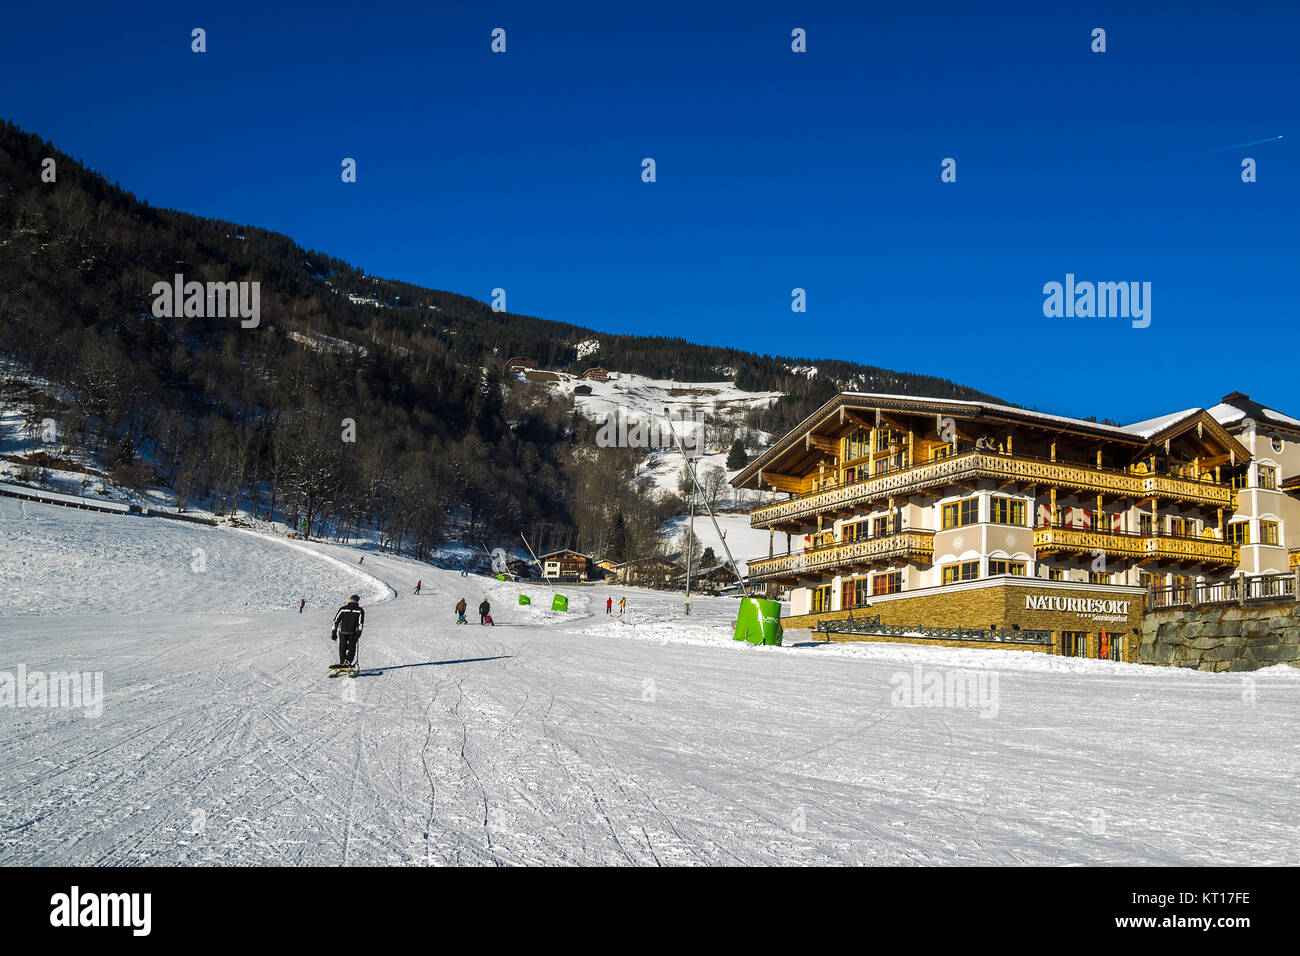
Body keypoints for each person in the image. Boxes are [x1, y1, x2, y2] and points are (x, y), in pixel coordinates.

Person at [331, 594, 365, 668]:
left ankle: (342, 662)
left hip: (342, 632)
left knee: (342, 647)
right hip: (353, 633)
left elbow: (336, 621)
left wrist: (334, 632)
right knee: (352, 648)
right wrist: (358, 634)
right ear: (357, 601)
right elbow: (360, 623)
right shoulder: (360, 610)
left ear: (350, 600)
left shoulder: (343, 609)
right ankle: (348, 662)